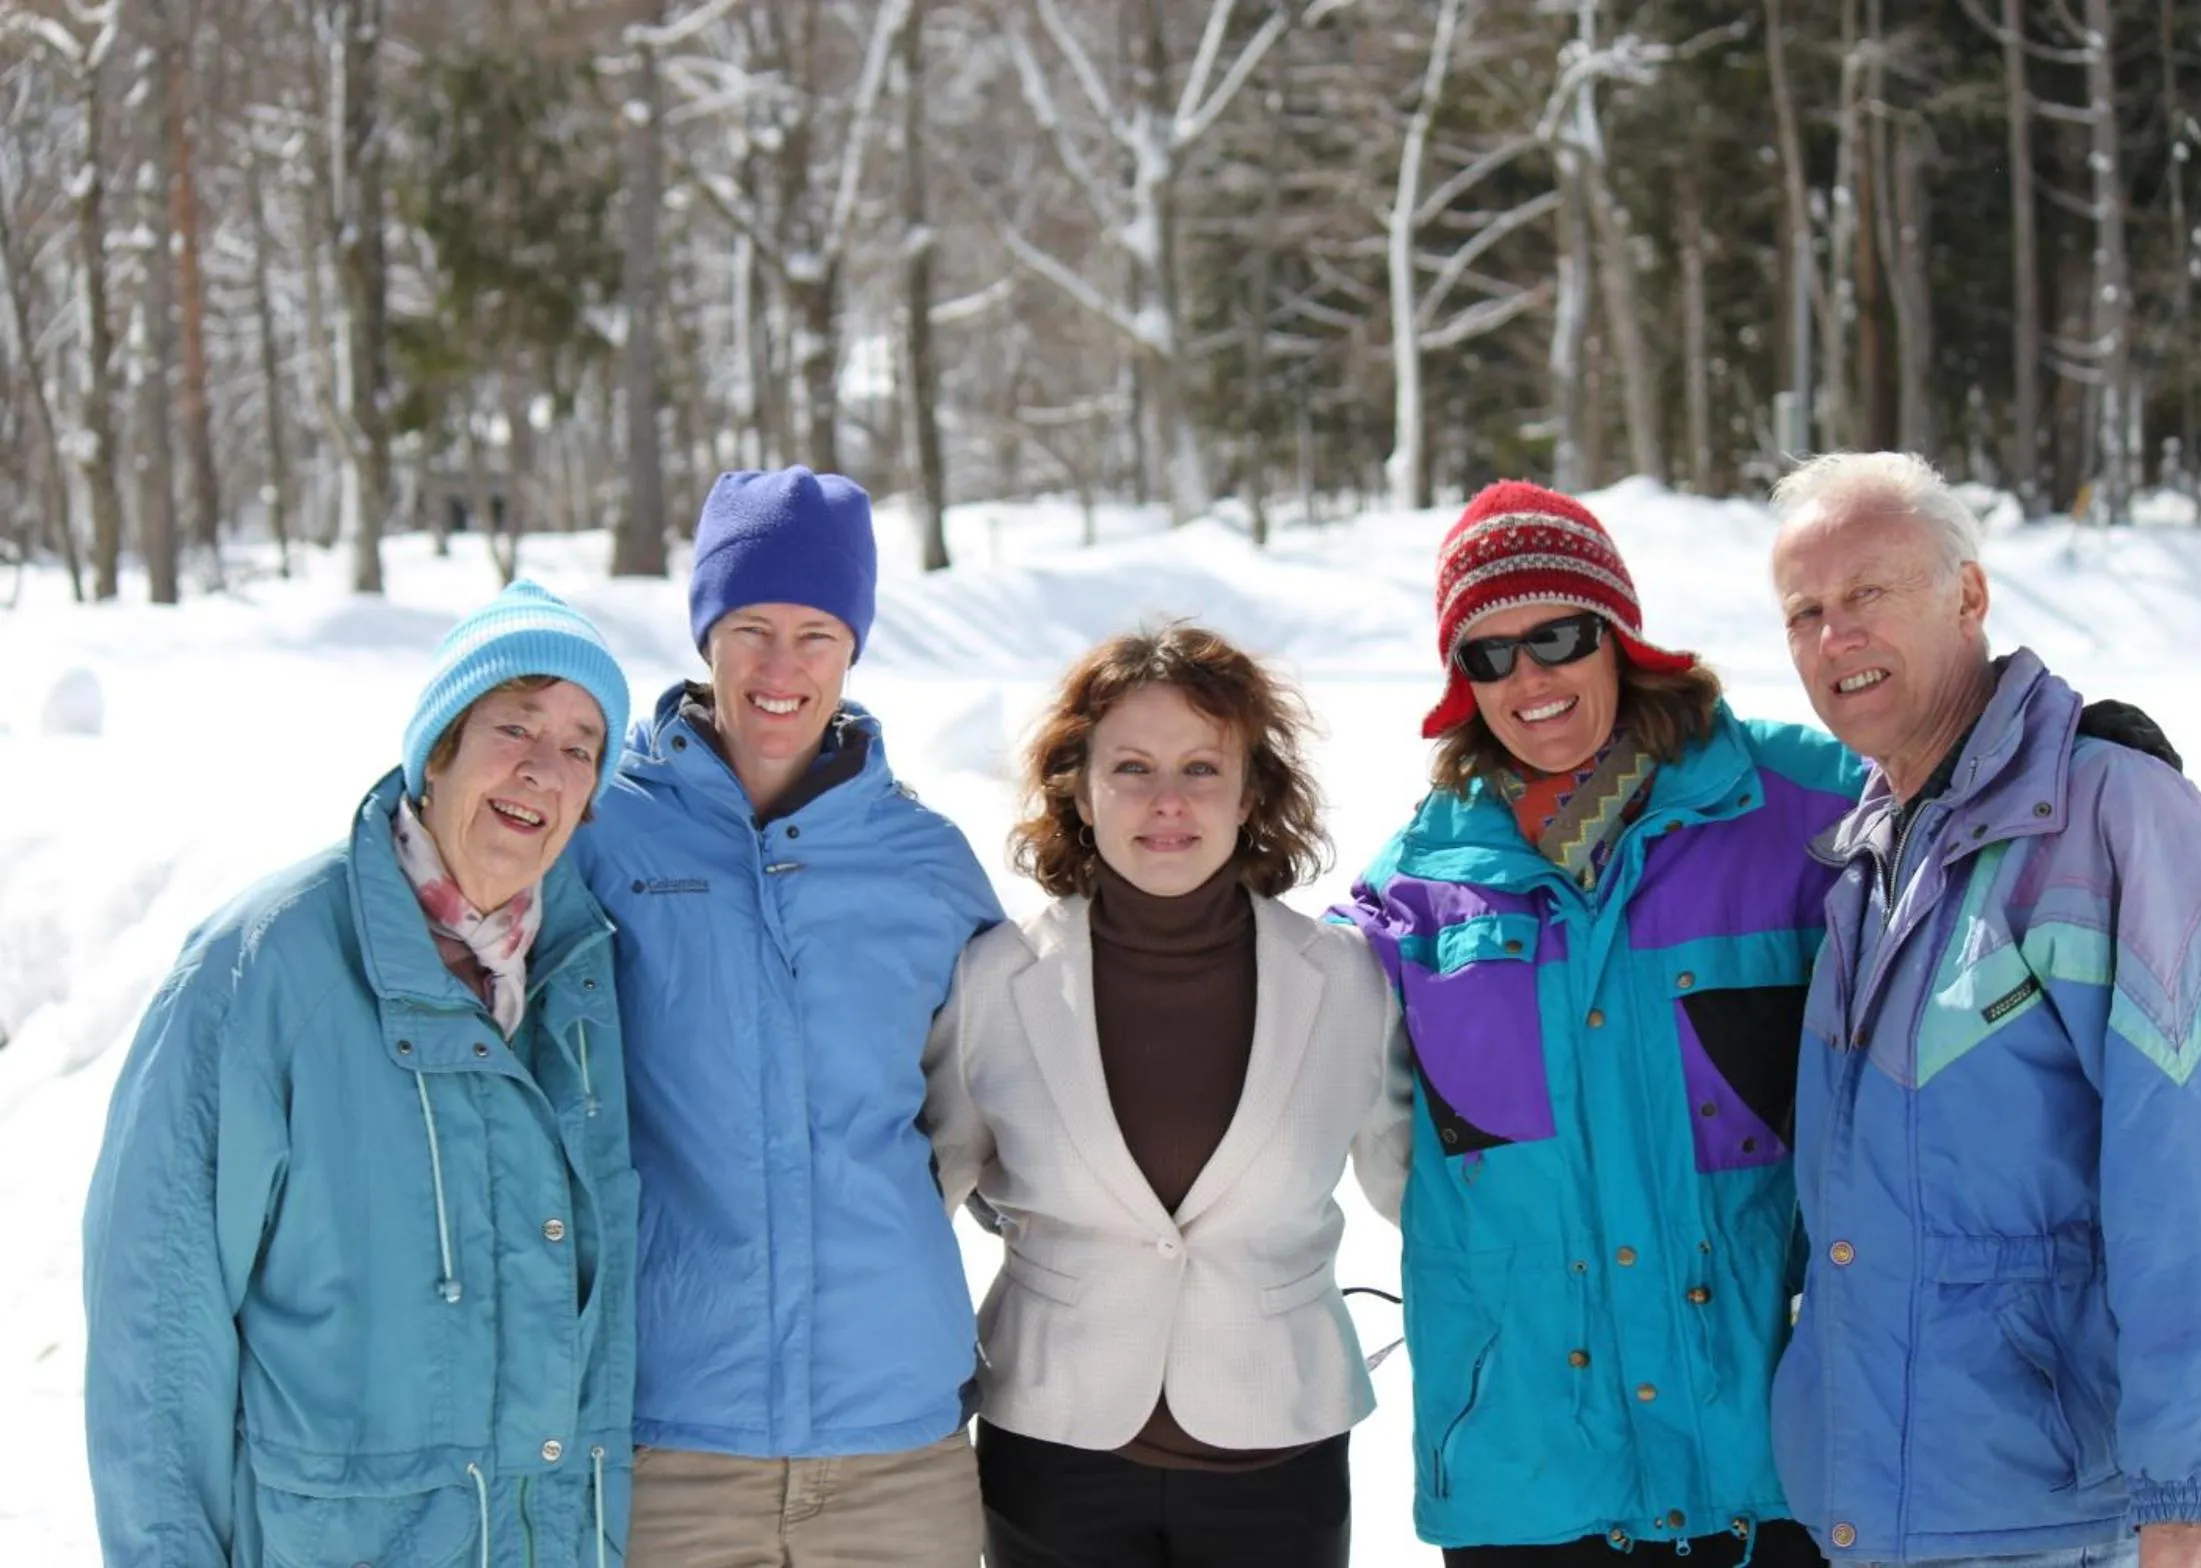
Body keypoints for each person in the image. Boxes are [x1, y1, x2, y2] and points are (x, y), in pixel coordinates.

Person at [1765, 452, 2201, 1568]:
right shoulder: (1869, 851)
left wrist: (2193, 1508)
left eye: (1869, 593)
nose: (1835, 636)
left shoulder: (2116, 814)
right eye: (1806, 611)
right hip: (1869, 1509)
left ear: (1969, 593)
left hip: (2042, 1514)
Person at [1341, 481, 1864, 1567]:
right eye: (1487, 654)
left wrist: (2075, 747)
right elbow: (1349, 1115)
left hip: (1786, 1464)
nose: (1527, 676)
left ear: (1619, 634)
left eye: (1557, 634)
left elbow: (1970, 816)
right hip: (1536, 1481)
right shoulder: (1417, 894)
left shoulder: (1803, 806)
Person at [83, 582, 639, 1568]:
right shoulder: (264, 969)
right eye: (513, 725)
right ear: (437, 749)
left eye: (579, 746)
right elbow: (159, 1324)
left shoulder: (585, 978)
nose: (542, 771)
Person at [569, 467, 1003, 1568]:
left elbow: (978, 1116)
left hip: (897, 1439)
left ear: (853, 645)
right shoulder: (602, 834)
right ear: (705, 632)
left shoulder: (927, 863)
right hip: (669, 1433)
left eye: (817, 632)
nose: (779, 666)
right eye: (749, 626)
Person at [920, 624, 1414, 1568]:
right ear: (1079, 784)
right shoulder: (996, 979)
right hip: (1052, 1453)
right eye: (1133, 767)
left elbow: (1422, 1194)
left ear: (1252, 790)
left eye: (1201, 768)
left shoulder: (1344, 981)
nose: (1167, 803)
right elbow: (918, 1202)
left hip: (1280, 1454)